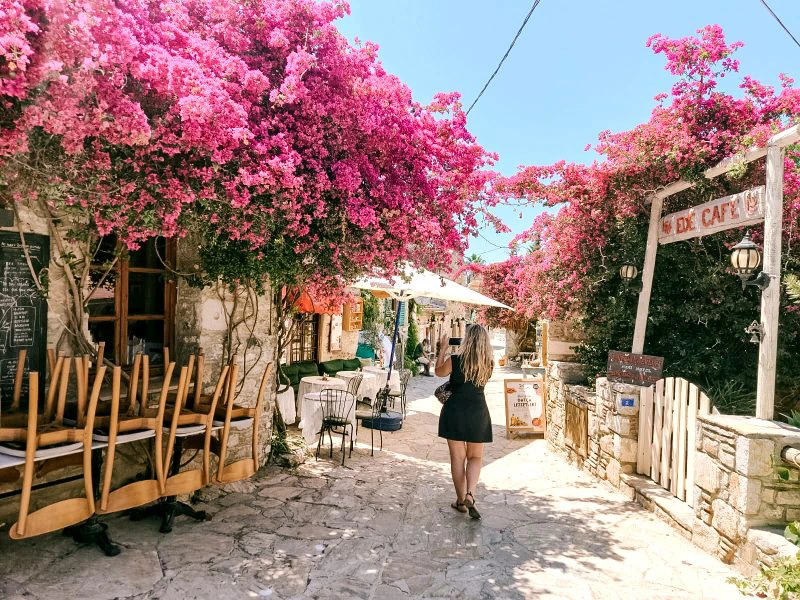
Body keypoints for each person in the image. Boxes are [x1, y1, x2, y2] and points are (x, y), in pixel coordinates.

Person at [435, 324, 493, 520]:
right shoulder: (489, 364)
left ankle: (460, 502)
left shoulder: (455, 360)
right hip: (478, 413)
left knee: (458, 458)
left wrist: (443, 349)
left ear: (467, 340)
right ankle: (470, 494)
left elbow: (438, 372)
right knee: (475, 457)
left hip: (455, 412)